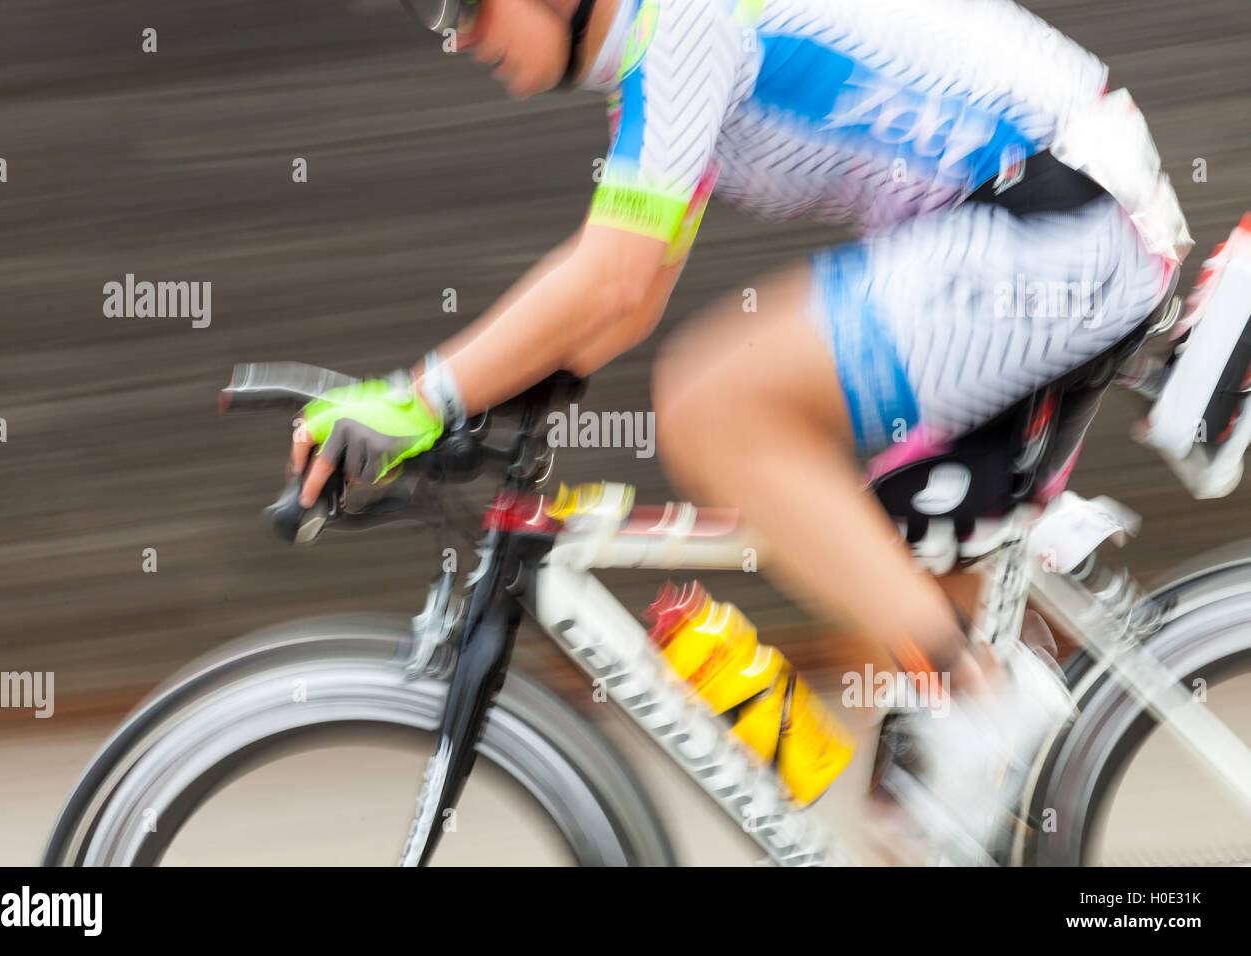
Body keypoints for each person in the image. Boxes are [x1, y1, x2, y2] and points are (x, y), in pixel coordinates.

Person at [289, 0, 1191, 851]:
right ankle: (969, 720)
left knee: (713, 402)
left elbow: (614, 275)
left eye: (461, 6)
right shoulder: (654, 55)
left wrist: (417, 399)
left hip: (1058, 221)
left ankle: (983, 695)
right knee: (914, 815)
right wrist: (464, 395)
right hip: (1043, 222)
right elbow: (628, 298)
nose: (457, 36)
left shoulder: (681, 21)